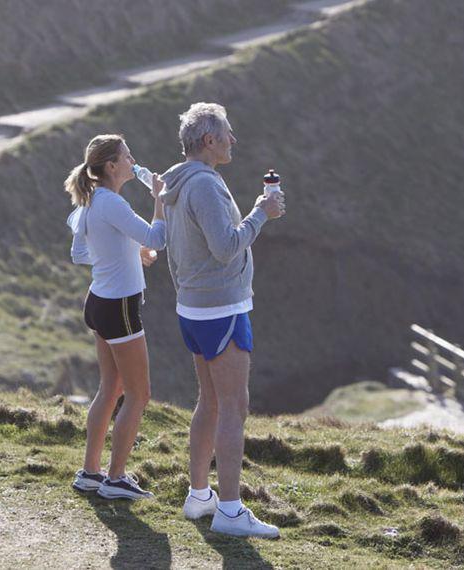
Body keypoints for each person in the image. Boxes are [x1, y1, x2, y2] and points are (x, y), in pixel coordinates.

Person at [160, 103, 285, 537]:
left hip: (193, 307)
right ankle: (230, 511)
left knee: (209, 402)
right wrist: (260, 215)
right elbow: (227, 247)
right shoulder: (205, 186)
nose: (234, 140)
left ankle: (199, 497)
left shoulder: (176, 182)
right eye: (228, 134)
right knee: (234, 406)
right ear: (209, 140)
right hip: (221, 307)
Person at [65, 134, 166, 500]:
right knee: (139, 394)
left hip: (98, 303)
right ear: (112, 166)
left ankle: (90, 473)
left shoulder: (92, 201)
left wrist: (126, 252)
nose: (132, 160)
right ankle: (117, 478)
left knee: (111, 389)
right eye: (127, 156)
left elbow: (81, 253)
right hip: (120, 308)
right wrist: (160, 199)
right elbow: (158, 238)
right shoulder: (112, 204)